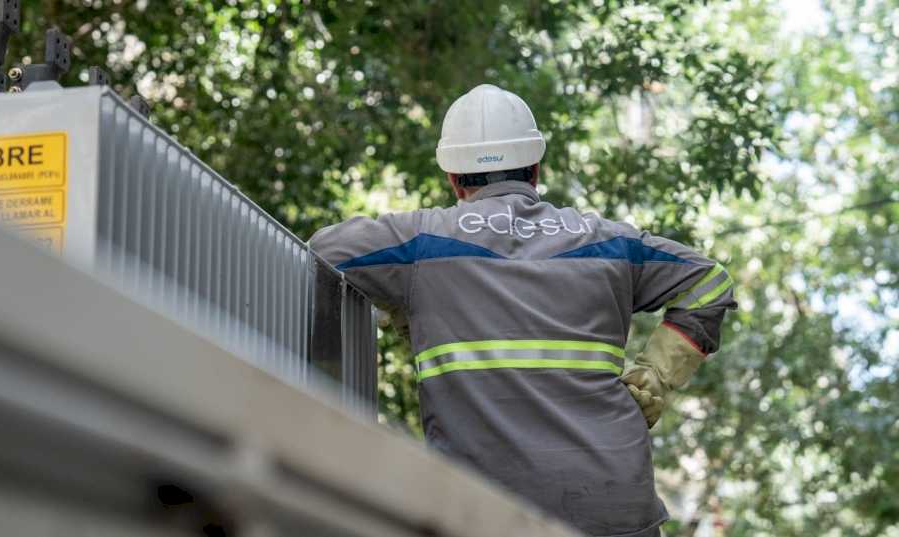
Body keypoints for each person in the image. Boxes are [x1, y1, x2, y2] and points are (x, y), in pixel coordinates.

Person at [310, 84, 736, 537]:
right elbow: (709, 281)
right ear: (535, 168)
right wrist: (654, 377)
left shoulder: (423, 244)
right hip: (614, 506)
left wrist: (407, 305)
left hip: (482, 510)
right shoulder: (611, 242)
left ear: (454, 177)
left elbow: (325, 250)